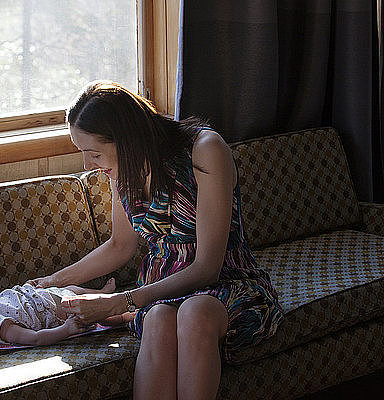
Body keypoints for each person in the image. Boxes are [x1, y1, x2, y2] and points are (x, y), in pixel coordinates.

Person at [27, 81, 284, 399]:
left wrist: (121, 301)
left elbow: (207, 268)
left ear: (126, 139)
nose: (87, 166)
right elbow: (121, 245)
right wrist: (52, 280)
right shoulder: (120, 169)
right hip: (160, 293)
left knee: (194, 313)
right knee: (160, 319)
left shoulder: (204, 150)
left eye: (93, 154)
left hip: (228, 283)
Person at [0, 278, 134, 348]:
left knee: (76, 289)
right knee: (104, 317)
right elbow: (36, 338)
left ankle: (102, 293)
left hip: (49, 294)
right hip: (62, 311)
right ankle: (128, 316)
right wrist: (65, 330)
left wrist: (28, 288)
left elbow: (16, 297)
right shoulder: (5, 329)